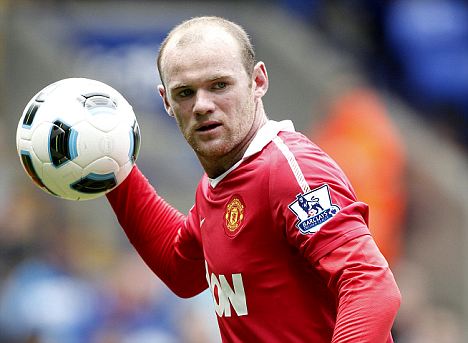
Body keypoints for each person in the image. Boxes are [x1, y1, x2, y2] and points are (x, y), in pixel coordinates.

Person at [107, 16, 401, 342]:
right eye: (185, 93)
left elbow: (369, 283)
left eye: (219, 85)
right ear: (166, 101)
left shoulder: (289, 170)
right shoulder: (218, 184)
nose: (202, 105)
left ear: (258, 81)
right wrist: (113, 167)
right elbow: (182, 271)